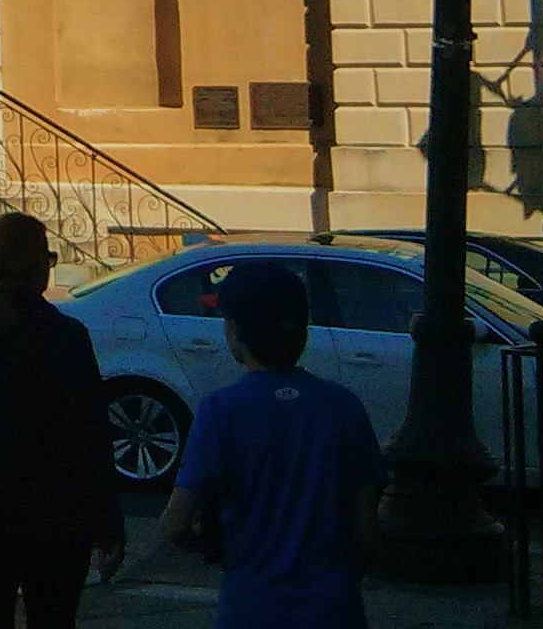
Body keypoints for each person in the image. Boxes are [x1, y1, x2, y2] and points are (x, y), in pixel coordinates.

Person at [0, 210, 127, 627]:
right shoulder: (65, 337)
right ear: (39, 265)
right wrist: (106, 523)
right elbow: (90, 437)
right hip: (53, 515)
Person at [156, 258, 384, 629]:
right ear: (302, 330)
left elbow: (175, 524)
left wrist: (220, 552)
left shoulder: (221, 411)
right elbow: (366, 532)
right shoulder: (343, 407)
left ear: (234, 331)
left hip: (252, 606)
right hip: (333, 608)